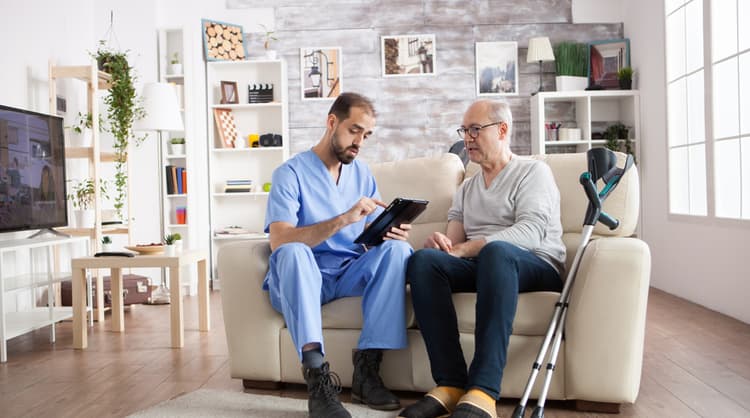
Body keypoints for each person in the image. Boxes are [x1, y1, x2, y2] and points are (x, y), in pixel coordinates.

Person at [398, 100, 566, 418]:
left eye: (475, 129)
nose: (468, 138)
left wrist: (467, 249)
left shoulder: (533, 172)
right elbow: (454, 245)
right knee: (423, 262)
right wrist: (440, 245)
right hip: (486, 264)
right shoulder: (467, 189)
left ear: (502, 130)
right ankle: (450, 385)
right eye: (465, 130)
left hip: (537, 262)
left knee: (496, 252)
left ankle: (484, 391)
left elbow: (530, 234)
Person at [263, 92, 413, 418]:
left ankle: (367, 372)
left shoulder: (361, 173)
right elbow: (279, 240)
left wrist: (390, 232)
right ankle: (317, 379)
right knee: (292, 252)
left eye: (366, 135)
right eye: (354, 130)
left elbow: (370, 234)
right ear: (332, 122)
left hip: (346, 273)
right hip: (303, 278)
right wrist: (344, 217)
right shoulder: (289, 174)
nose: (359, 142)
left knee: (398, 251)